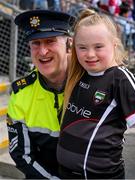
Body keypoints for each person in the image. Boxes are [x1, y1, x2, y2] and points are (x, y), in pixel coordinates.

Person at [57, 9, 135, 179]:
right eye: (82, 47)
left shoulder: (120, 79)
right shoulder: (78, 73)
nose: (90, 54)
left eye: (98, 47)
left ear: (114, 44)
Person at [6, 9, 75, 179]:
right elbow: (22, 155)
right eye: (35, 43)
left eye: (50, 41)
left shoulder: (92, 82)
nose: (42, 52)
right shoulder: (21, 93)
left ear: (69, 44)